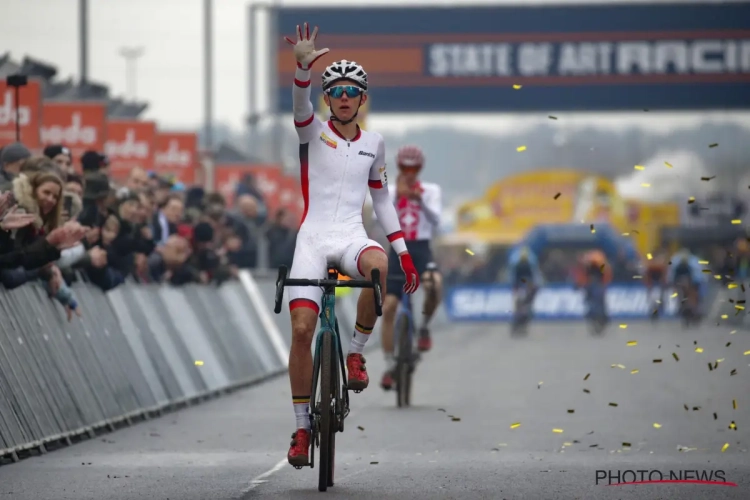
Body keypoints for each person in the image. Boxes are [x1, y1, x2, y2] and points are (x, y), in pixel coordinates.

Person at [283, 22, 419, 468]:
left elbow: (381, 200)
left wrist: (403, 252)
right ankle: (302, 428)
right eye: (336, 89)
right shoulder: (312, 131)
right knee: (302, 331)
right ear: (328, 98)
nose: (343, 96)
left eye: (352, 91)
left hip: (350, 236)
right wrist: (302, 68)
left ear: (362, 100)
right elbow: (299, 104)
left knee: (377, 266)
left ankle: (356, 355)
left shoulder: (375, 144)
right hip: (313, 237)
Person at [376, 145, 442, 389]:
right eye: (405, 167)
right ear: (399, 167)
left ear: (420, 168)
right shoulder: (389, 190)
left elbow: (437, 220)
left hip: (421, 248)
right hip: (396, 250)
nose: (410, 172)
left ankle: (423, 327)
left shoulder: (431, 190)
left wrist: (418, 200)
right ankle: (389, 363)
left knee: (434, 284)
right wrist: (395, 197)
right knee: (389, 306)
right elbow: (376, 218)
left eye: (414, 168)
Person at [574, 249, 613, 321]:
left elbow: (605, 272)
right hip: (594, 281)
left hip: (600, 280)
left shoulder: (598, 261)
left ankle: (603, 314)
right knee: (589, 295)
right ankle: (593, 311)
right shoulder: (587, 265)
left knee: (599, 296)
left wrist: (602, 281)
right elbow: (583, 277)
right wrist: (579, 285)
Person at [667, 248, 705, 315]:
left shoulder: (692, 263)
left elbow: (695, 277)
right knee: (678, 291)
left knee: (696, 293)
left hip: (694, 280)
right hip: (681, 281)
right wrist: (674, 285)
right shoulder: (677, 265)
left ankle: (696, 307)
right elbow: (674, 277)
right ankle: (680, 304)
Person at [507, 246, 543, 312]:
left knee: (532, 289)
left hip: (527, 279)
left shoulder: (531, 263)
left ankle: (529, 305)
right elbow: (514, 275)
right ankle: (516, 309)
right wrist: (514, 284)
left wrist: (536, 283)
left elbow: (534, 274)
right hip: (521, 279)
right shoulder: (516, 264)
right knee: (517, 295)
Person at [643, 251, 668, 318]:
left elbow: (663, 276)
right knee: (652, 298)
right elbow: (647, 276)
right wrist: (648, 284)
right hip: (653, 284)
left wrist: (663, 283)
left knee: (658, 297)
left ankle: (658, 309)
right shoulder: (651, 265)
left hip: (658, 284)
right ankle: (654, 310)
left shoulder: (661, 266)